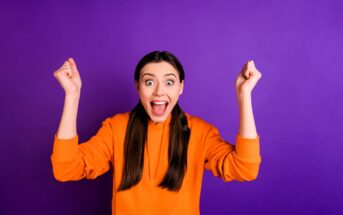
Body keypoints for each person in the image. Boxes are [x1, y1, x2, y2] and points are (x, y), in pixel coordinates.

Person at [51, 50, 262, 215]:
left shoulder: (200, 132)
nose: (159, 91)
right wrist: (72, 95)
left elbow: (244, 169)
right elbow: (66, 169)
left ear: (181, 87)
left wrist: (244, 96)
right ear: (138, 87)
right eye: (149, 82)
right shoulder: (116, 128)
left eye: (169, 82)